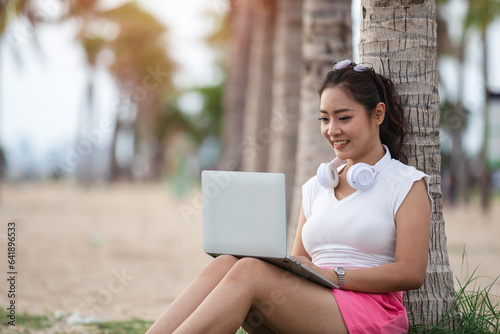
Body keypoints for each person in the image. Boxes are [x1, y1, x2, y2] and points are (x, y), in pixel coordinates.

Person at [146, 59, 432, 334]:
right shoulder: (317, 186)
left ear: (377, 114)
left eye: (344, 118)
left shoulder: (406, 183)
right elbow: (298, 262)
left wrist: (336, 276)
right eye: (325, 119)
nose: (332, 130)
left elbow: (411, 273)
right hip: (314, 302)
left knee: (248, 272)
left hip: (371, 312)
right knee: (226, 262)